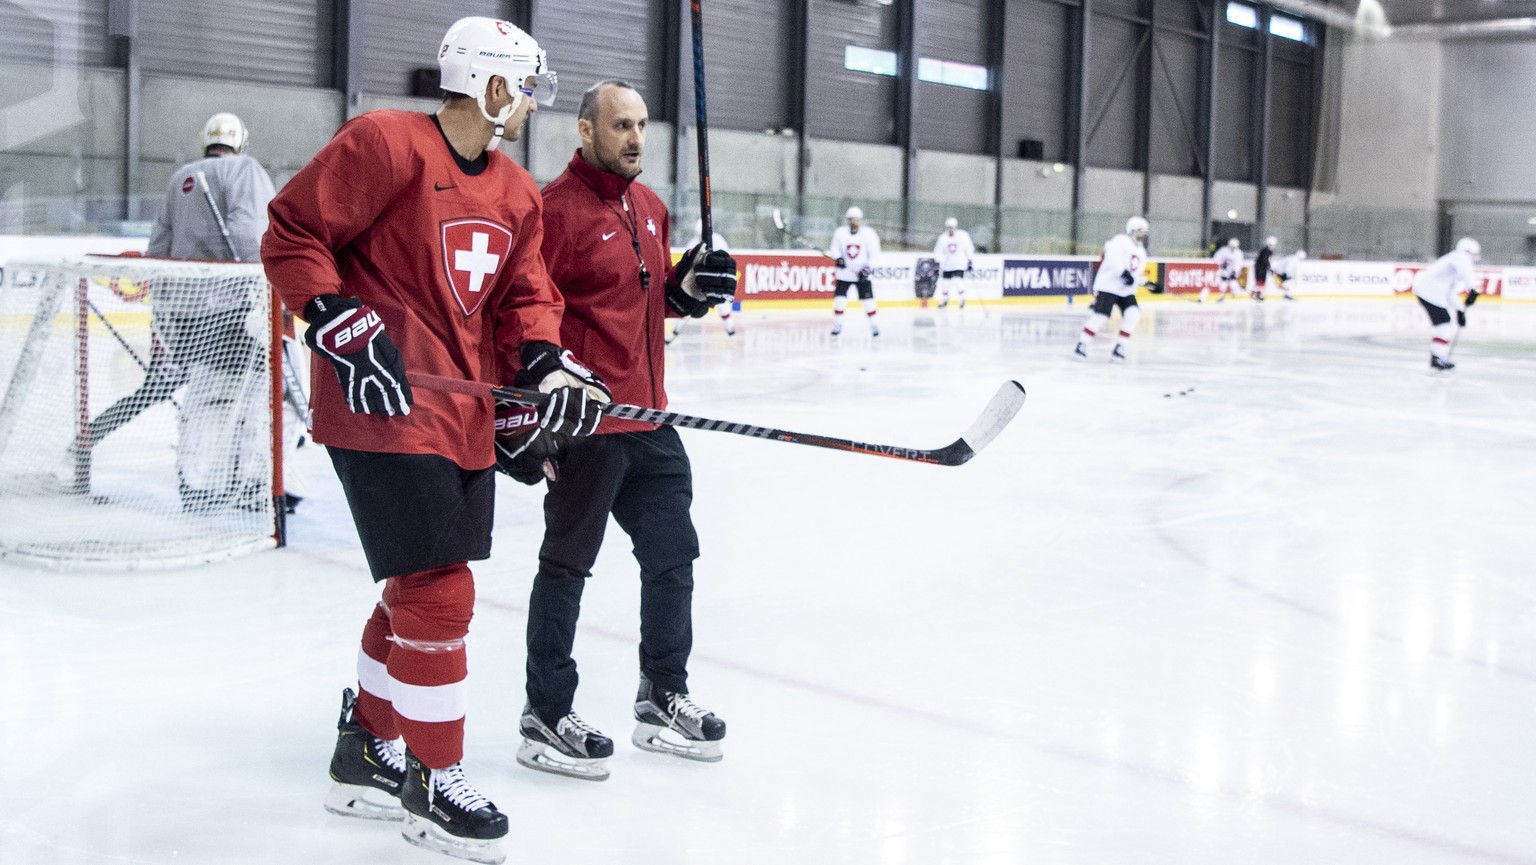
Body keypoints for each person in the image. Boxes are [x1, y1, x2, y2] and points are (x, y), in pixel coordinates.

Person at [262, 18, 606, 864]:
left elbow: (527, 299)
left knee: (414, 589)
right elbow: (291, 233)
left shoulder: (518, 194)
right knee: (440, 590)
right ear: (492, 88)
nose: (528, 105)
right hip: (378, 402)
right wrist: (332, 317)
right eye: (523, 88)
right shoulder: (384, 144)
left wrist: (548, 366)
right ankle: (433, 776)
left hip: (459, 413)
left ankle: (366, 748)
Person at [502, 79, 736, 783]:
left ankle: (663, 693)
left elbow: (648, 293)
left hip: (652, 418)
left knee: (673, 558)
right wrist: (522, 412)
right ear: (585, 132)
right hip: (589, 423)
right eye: (620, 125)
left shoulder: (651, 207)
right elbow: (520, 314)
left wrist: (688, 289)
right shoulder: (552, 213)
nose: (636, 137)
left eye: (641, 124)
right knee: (568, 562)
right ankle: (546, 710)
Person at [79, 113, 306, 512]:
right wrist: (268, 293)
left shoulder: (180, 177)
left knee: (206, 396)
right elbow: (251, 237)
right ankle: (254, 485)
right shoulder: (245, 170)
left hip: (185, 313)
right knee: (258, 399)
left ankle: (198, 485)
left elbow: (160, 246)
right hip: (235, 307)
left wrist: (166, 313)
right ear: (241, 140)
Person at [1073, 216, 1150, 363]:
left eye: (1144, 231)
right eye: (1141, 230)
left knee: (1133, 314)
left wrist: (1148, 284)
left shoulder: (1141, 251)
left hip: (1125, 291)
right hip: (1108, 286)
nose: (1143, 234)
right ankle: (1082, 344)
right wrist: (1123, 273)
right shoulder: (1120, 241)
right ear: (1132, 230)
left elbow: (1135, 275)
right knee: (1100, 316)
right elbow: (1112, 258)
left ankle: (1120, 347)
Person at [1412, 237, 1480, 371]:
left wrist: (1460, 310)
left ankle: (1438, 356)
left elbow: (1450, 292)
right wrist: (1473, 289)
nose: (1474, 258)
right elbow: (1468, 274)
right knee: (1444, 325)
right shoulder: (1459, 258)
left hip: (1429, 294)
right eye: (1473, 254)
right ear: (1468, 252)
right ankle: (1437, 358)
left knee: (1444, 325)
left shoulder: (1454, 261)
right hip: (1429, 294)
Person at [667, 219, 735, 342]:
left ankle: (730, 330)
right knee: (686, 303)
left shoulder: (718, 240)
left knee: (722, 305)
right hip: (697, 279)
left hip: (716, 280)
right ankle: (676, 330)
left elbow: (726, 259)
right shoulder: (693, 242)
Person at [828, 206, 881, 336]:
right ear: (848, 220)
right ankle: (838, 325)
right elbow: (834, 249)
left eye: (856, 220)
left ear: (860, 220)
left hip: (862, 275)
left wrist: (867, 269)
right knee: (839, 301)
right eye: (852, 220)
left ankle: (874, 326)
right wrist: (838, 258)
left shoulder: (868, 234)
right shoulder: (840, 233)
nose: (854, 222)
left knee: (868, 302)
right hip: (844, 274)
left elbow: (875, 254)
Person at [932, 217, 975, 309]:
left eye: (953, 227)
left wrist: (970, 260)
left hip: (959, 264)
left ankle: (962, 299)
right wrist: (937, 263)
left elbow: (969, 248)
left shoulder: (963, 236)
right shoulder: (943, 238)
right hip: (947, 265)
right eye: (949, 227)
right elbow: (938, 251)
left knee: (958, 281)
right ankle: (944, 300)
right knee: (945, 284)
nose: (951, 229)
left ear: (956, 227)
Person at [1205, 237, 1243, 303]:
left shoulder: (1239, 253)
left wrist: (1235, 271)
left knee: (1233, 282)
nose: (1232, 248)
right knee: (1223, 282)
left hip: (1232, 271)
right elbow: (1217, 258)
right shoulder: (1223, 250)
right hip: (1225, 271)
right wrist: (1221, 264)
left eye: (1234, 247)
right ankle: (1222, 295)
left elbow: (1238, 263)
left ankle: (1235, 294)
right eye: (1231, 246)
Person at [1251, 236, 1277, 302]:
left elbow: (1266, 260)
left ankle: (1257, 294)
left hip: (1261, 268)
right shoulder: (1266, 251)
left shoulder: (1267, 250)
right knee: (1260, 281)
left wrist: (1268, 267)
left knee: (1261, 282)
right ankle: (1255, 293)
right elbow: (1265, 260)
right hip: (1260, 268)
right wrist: (1269, 268)